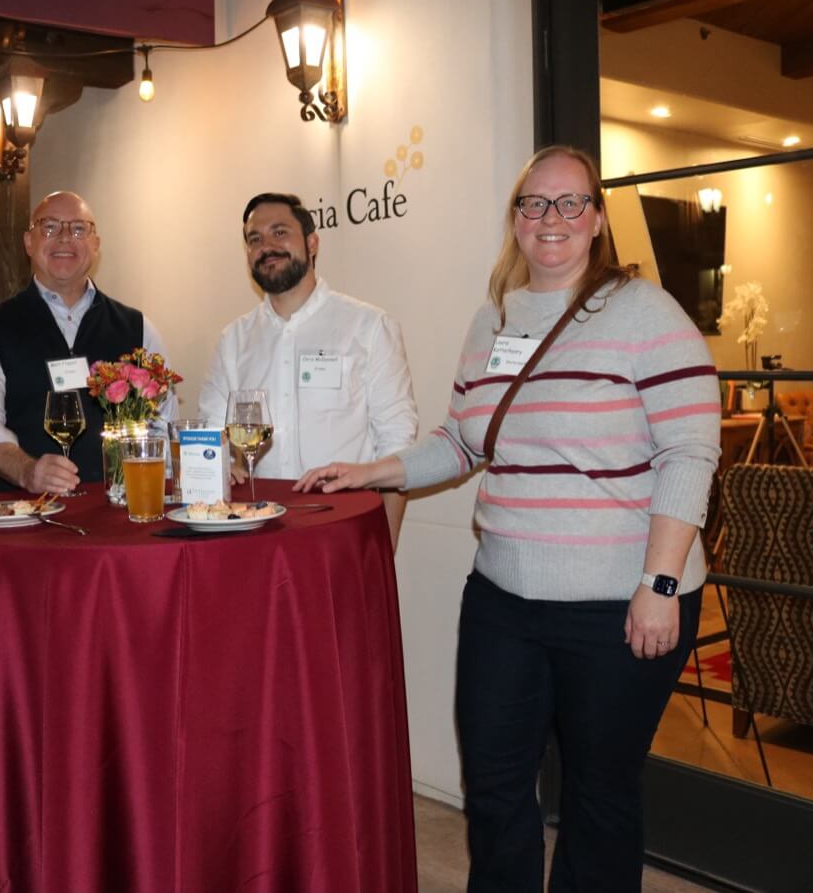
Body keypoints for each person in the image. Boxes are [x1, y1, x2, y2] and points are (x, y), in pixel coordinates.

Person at [295, 146, 720, 891]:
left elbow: (689, 450)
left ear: (598, 219)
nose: (551, 218)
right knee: (493, 787)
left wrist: (660, 582)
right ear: (516, 219)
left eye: (570, 202)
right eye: (534, 203)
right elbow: (464, 440)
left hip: (619, 600)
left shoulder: (645, 312)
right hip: (504, 597)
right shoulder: (492, 319)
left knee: (598, 795)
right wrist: (372, 471)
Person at [199, 192, 417, 546]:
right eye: (255, 239)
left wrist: (383, 549)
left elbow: (397, 447)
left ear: (312, 243)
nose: (267, 246)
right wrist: (221, 464)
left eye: (280, 232)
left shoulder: (368, 327)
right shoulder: (233, 341)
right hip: (254, 535)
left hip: (342, 533)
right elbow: (210, 435)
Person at [0, 190, 176, 494]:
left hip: (115, 513)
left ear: (95, 244)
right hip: (25, 513)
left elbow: (163, 427)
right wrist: (26, 471)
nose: (64, 238)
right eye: (49, 227)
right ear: (28, 242)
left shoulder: (138, 328)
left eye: (78, 228)